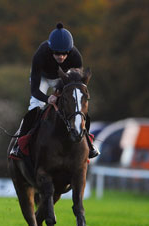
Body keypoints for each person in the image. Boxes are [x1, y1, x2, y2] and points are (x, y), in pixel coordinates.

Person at [10, 23, 99, 158]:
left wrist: (60, 91)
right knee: (35, 106)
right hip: (43, 78)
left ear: (70, 51)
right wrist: (47, 99)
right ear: (51, 50)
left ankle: (89, 143)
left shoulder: (75, 57)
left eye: (65, 53)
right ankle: (20, 143)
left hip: (63, 80)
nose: (61, 57)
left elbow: (77, 85)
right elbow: (34, 90)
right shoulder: (40, 54)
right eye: (57, 53)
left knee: (78, 106)